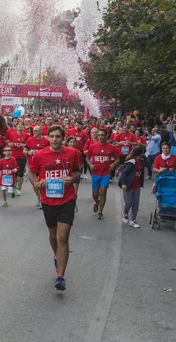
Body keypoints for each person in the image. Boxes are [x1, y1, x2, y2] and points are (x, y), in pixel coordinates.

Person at [27, 125, 81, 291]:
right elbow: (31, 171)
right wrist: (37, 184)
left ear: (63, 138)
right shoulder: (40, 155)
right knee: (53, 235)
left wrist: (72, 179)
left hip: (67, 199)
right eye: (52, 136)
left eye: (58, 136)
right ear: (48, 137)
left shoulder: (73, 153)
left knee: (62, 237)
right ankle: (57, 256)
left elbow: (78, 172)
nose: (55, 139)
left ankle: (61, 277)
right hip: (48, 200)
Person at [86, 128, 119, 220]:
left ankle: (100, 211)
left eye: (102, 135)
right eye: (99, 135)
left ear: (106, 136)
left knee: (103, 192)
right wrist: (90, 164)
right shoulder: (93, 146)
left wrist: (113, 164)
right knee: (95, 195)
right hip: (95, 173)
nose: (100, 137)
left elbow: (118, 159)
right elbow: (87, 157)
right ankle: (96, 202)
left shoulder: (111, 147)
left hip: (105, 173)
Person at [120, 146, 146, 228]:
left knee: (135, 204)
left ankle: (133, 220)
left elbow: (146, 166)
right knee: (129, 203)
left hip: (137, 186)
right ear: (141, 153)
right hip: (129, 185)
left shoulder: (141, 161)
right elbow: (124, 173)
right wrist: (123, 184)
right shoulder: (131, 162)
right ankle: (125, 214)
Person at [25, 125, 50, 207]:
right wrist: (27, 152)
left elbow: (49, 150)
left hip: (43, 164)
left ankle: (44, 197)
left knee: (42, 182)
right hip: (32, 164)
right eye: (33, 131)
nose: (34, 132)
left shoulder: (46, 141)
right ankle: (39, 198)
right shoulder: (29, 140)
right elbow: (24, 149)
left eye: (36, 131)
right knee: (34, 183)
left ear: (40, 131)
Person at [6, 123, 29, 196]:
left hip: (22, 156)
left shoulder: (26, 135)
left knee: (20, 173)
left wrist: (24, 146)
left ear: (23, 127)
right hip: (13, 156)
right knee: (13, 172)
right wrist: (10, 144)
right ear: (16, 127)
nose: (20, 127)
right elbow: (8, 142)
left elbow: (28, 144)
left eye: (22, 125)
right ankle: (13, 184)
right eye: (19, 126)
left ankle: (19, 188)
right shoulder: (12, 134)